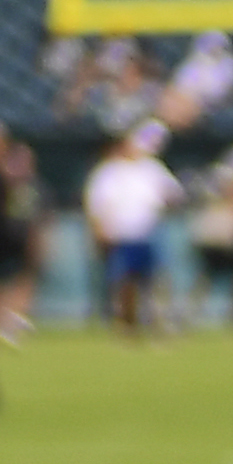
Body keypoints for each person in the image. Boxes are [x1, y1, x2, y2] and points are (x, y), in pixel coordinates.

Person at [80, 119, 174, 339]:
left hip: (149, 232)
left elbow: (171, 194)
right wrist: (99, 229)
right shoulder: (110, 171)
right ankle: (126, 324)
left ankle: (156, 323)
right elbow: (97, 203)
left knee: (155, 279)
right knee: (125, 281)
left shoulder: (152, 168)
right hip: (121, 234)